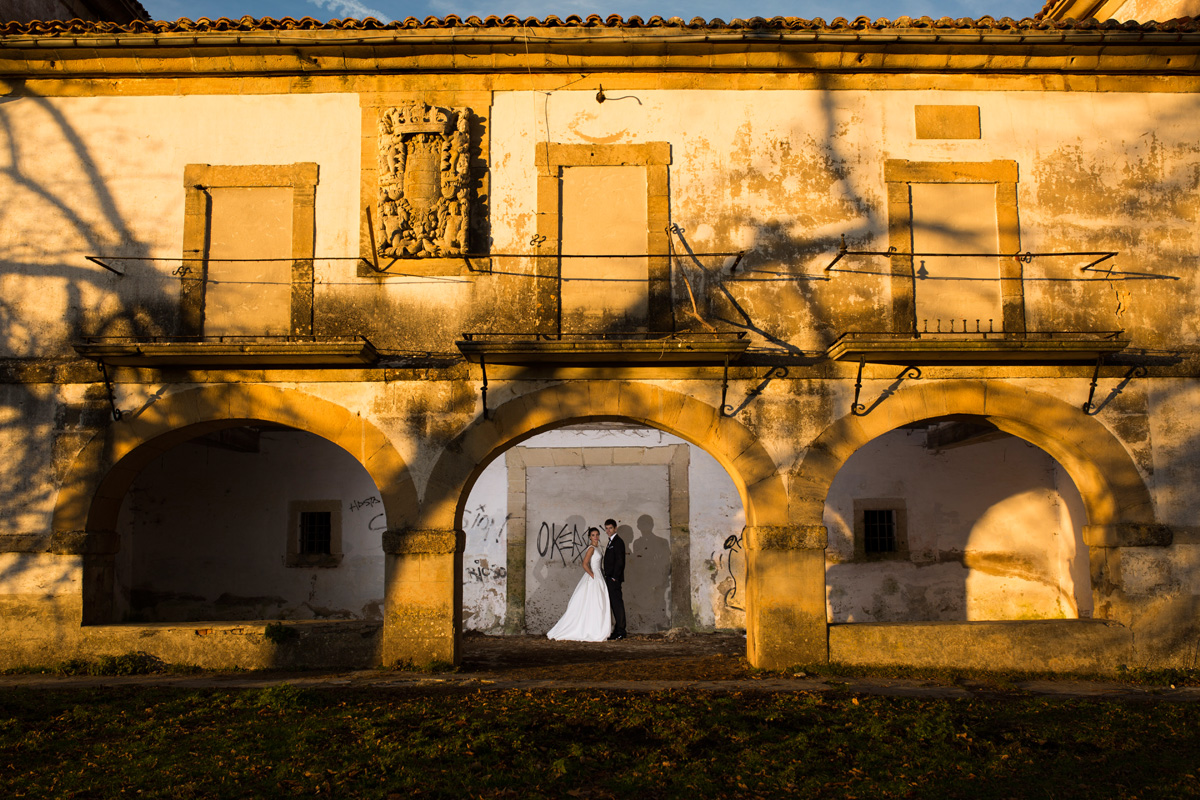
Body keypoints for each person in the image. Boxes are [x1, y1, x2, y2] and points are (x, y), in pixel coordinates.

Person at [546, 527, 612, 642]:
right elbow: (585, 564)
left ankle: (595, 628)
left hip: (598, 576)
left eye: (597, 534)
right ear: (589, 537)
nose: (595, 537)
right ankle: (589, 629)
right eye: (593, 535)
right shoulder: (591, 548)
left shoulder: (598, 548)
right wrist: (593, 575)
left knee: (597, 603)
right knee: (592, 602)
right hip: (594, 577)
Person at [603, 518, 627, 640]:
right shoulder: (611, 542)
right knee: (614, 604)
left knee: (617, 604)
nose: (608, 530)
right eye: (606, 528)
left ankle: (621, 631)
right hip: (610, 578)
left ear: (615, 528)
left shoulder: (618, 542)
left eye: (610, 528)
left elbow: (620, 561)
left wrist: (614, 577)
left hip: (614, 579)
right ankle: (618, 629)